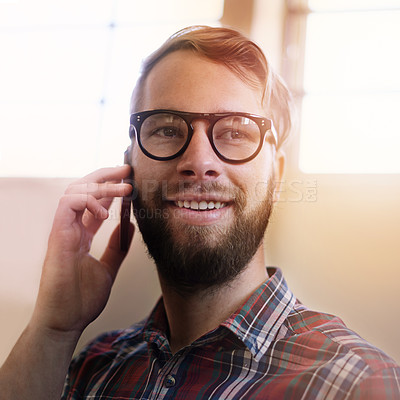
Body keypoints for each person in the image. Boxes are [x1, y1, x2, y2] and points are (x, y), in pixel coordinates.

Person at [1, 25, 399, 400]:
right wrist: (54, 329)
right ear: (129, 167)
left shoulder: (356, 384)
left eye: (236, 131)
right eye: (167, 129)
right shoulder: (93, 367)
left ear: (276, 175)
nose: (199, 161)